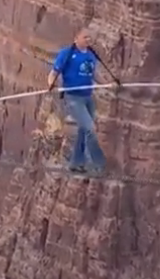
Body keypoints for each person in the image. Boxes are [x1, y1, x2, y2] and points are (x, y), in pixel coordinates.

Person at [47, 28, 106, 174]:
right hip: (73, 97)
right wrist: (51, 85)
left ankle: (76, 163)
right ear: (76, 38)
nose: (88, 40)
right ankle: (98, 164)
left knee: (83, 130)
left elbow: (92, 75)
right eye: (85, 37)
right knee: (90, 129)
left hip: (88, 97)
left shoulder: (91, 54)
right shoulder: (67, 54)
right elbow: (54, 73)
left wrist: (107, 84)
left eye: (90, 38)